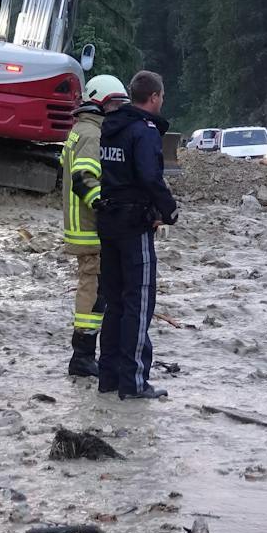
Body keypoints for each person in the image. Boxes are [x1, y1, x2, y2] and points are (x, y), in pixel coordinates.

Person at [96, 70, 178, 400]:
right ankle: (134, 382)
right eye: (161, 97)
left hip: (109, 221)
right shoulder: (143, 132)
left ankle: (109, 377)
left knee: (114, 302)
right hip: (133, 225)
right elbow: (149, 176)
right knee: (139, 302)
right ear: (155, 97)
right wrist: (169, 210)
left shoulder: (111, 127)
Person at [60, 74, 129, 378]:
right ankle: (83, 356)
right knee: (94, 290)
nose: (118, 110)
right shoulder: (92, 135)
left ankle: (85, 353)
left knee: (94, 287)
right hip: (90, 227)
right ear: (101, 102)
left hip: (81, 224)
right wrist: (109, 207)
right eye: (115, 104)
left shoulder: (81, 129)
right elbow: (85, 179)